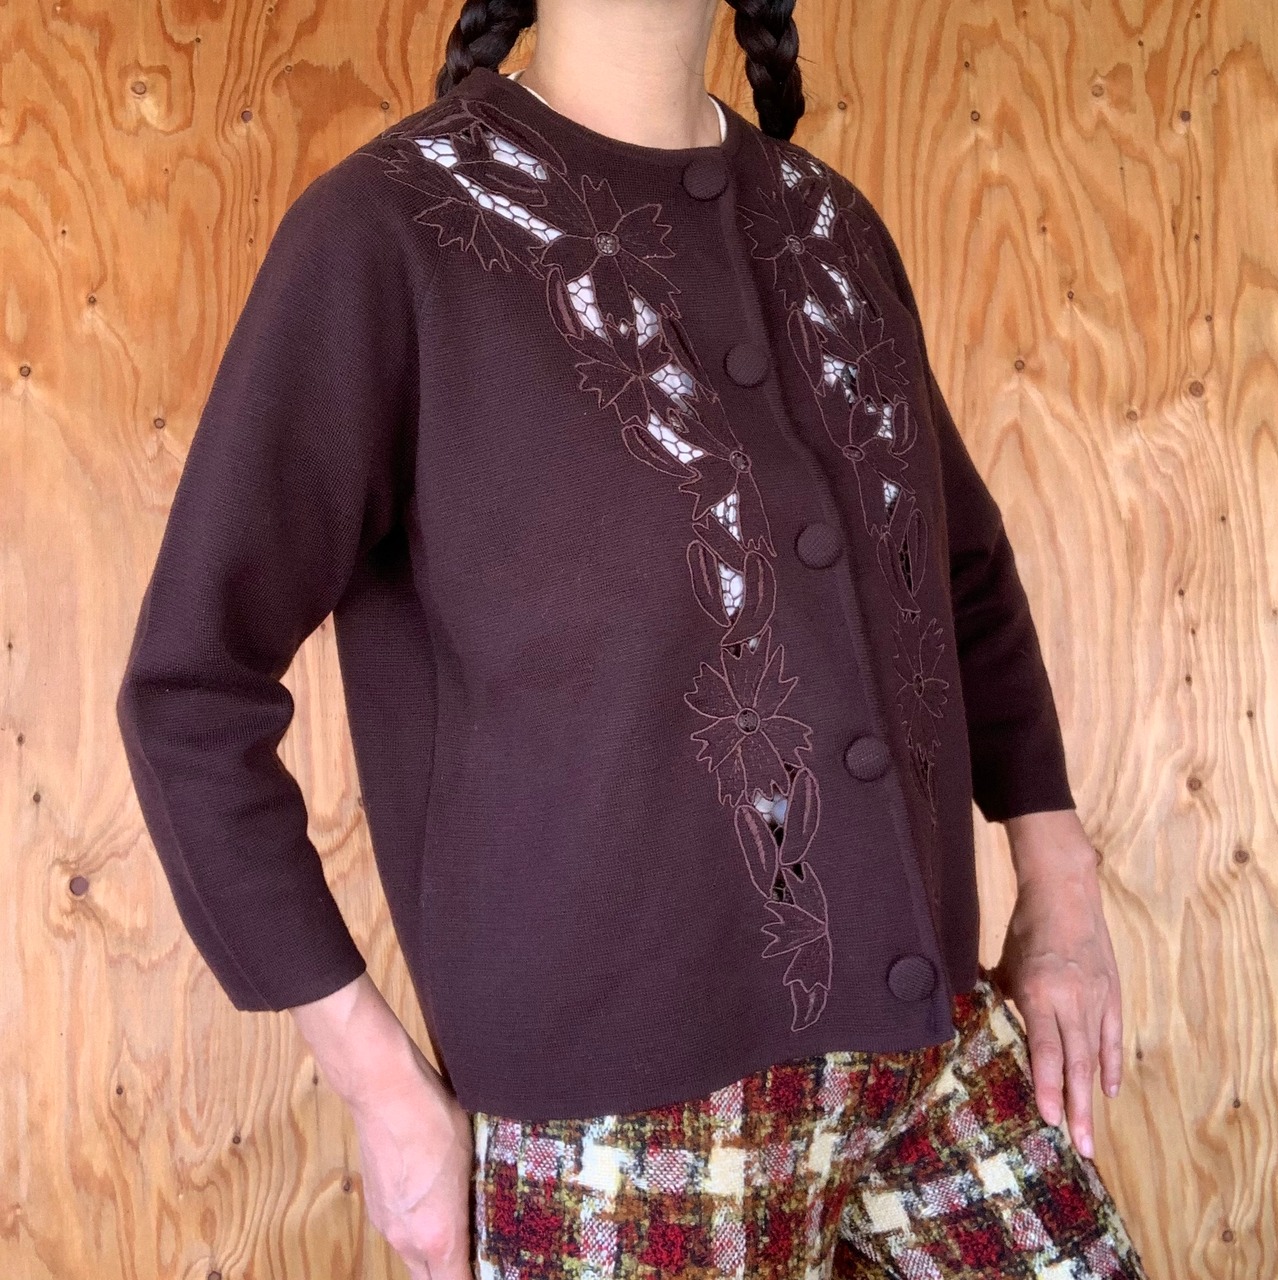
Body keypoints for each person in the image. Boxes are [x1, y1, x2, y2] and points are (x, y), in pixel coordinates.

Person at [115, 0, 1151, 1276]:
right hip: (614, 1132)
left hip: (928, 1038)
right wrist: (379, 1085)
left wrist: (1061, 883)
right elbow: (190, 691)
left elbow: (959, 574)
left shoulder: (831, 227)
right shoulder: (389, 231)